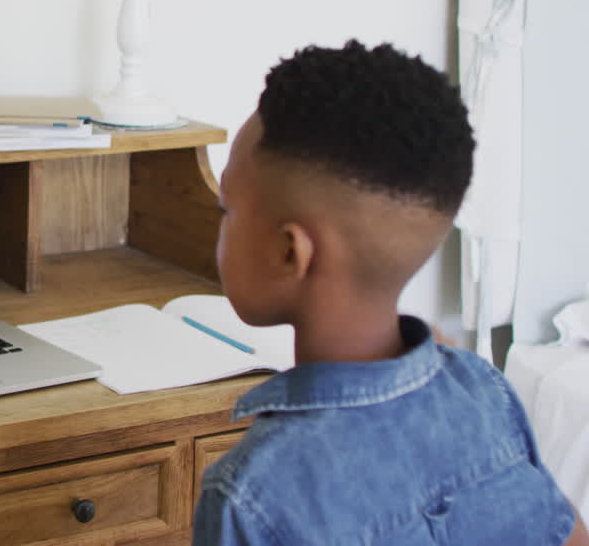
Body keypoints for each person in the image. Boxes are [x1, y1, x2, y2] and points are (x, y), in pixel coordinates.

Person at [193, 41, 588, 545]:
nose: (219, 224)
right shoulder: (482, 390)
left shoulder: (252, 493)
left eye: (228, 208)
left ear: (290, 252)